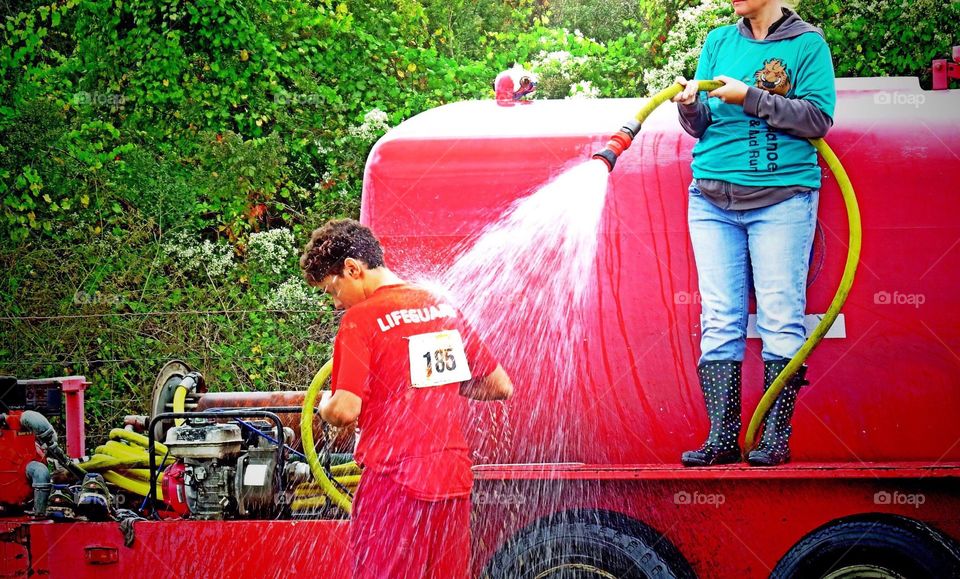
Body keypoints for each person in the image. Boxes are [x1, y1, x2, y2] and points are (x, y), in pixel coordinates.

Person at [300, 219, 513, 578]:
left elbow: (346, 409)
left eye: (331, 289)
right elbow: (500, 386)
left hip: (393, 484)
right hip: (452, 483)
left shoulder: (361, 319)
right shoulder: (442, 306)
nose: (335, 303)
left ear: (352, 269)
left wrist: (325, 405)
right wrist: (430, 384)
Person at [672, 0, 836, 467]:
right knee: (719, 317)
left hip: (780, 199)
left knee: (780, 316)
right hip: (710, 198)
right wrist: (689, 108)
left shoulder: (808, 44)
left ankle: (774, 440)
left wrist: (750, 96)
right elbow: (700, 123)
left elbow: (817, 120)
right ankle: (722, 440)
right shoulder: (719, 40)